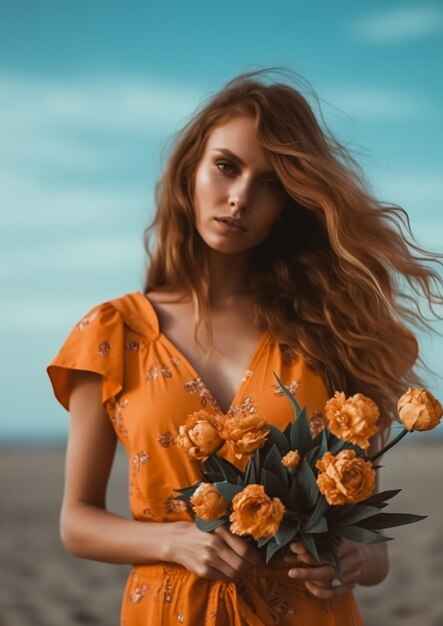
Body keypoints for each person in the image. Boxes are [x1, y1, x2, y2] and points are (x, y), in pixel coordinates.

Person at [47, 70, 442, 625]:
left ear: (290, 203)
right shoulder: (114, 333)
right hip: (173, 610)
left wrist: (356, 559)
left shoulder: (336, 332)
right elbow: (77, 521)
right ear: (190, 171)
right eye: (227, 167)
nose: (239, 199)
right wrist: (176, 542)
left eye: (272, 183)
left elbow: (370, 545)